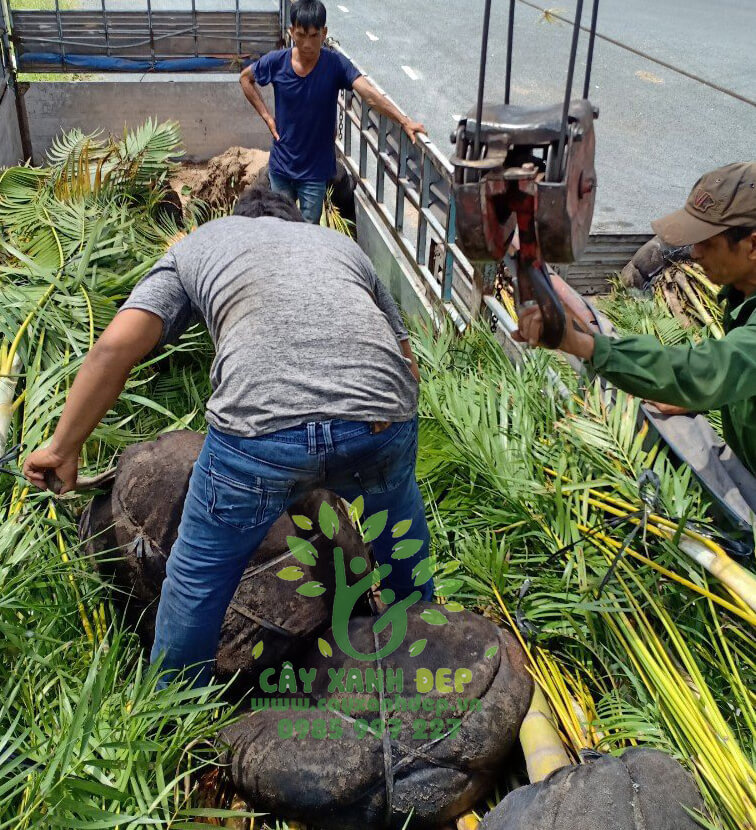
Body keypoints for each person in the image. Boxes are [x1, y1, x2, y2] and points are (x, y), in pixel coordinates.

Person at [23, 188, 434, 686]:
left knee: (197, 578)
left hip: (259, 430)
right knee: (398, 535)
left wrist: (62, 450)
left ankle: (175, 721)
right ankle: (433, 657)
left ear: (238, 219)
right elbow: (405, 358)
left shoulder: (203, 241)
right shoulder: (338, 245)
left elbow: (115, 347)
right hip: (380, 414)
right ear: (294, 221)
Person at [516, 161, 756, 476]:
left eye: (707, 243)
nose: (694, 253)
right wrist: (707, 395)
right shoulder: (742, 291)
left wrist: (584, 345)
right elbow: (738, 373)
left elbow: (711, 366)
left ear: (752, 245)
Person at [240, 0, 426, 224]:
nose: (307, 44)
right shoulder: (276, 63)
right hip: (281, 167)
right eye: (301, 35)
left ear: (324, 33)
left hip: (315, 171)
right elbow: (245, 78)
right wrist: (268, 118)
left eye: (314, 35)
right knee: (280, 228)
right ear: (291, 32)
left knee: (310, 230)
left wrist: (404, 121)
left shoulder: (335, 65)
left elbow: (368, 93)